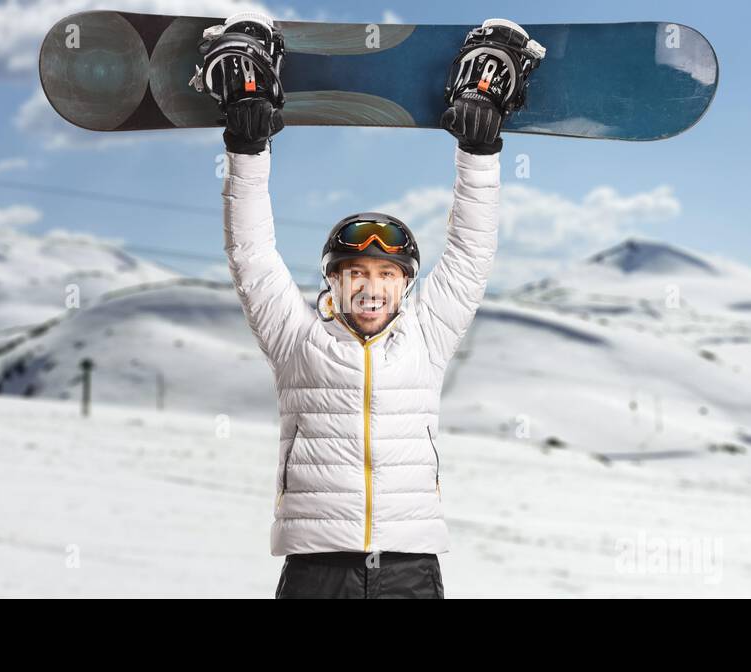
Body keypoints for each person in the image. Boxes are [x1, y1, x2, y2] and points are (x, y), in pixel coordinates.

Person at [216, 16, 526, 598]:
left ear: (406, 285)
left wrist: (479, 149)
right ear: (332, 282)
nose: (371, 286)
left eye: (387, 274)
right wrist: (247, 146)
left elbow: (470, 250)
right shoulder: (296, 340)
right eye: (355, 272)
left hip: (411, 566)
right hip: (317, 568)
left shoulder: (426, 339)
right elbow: (251, 253)